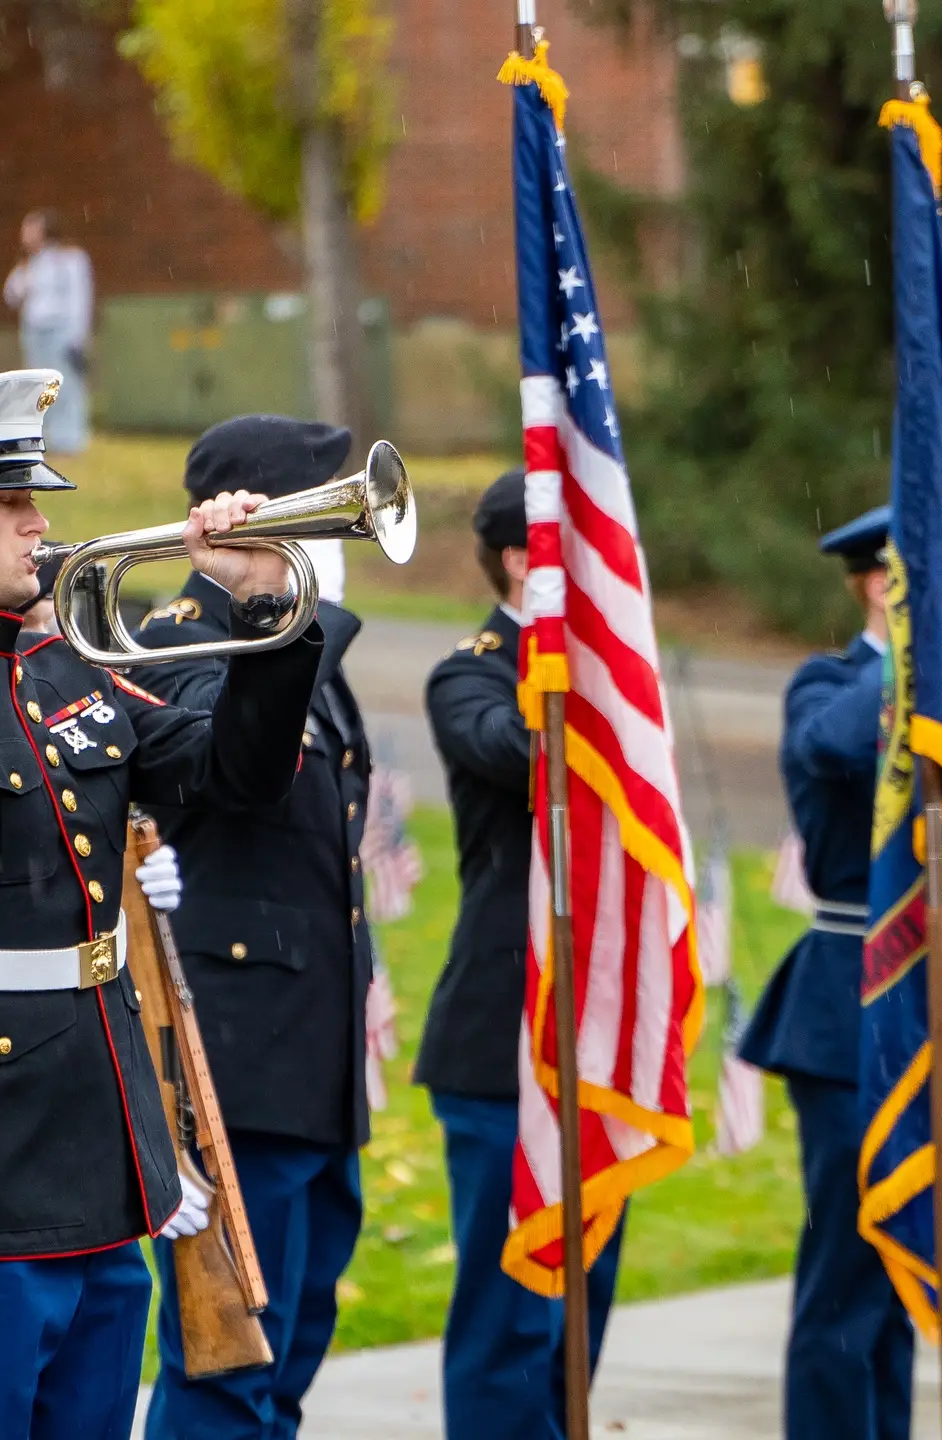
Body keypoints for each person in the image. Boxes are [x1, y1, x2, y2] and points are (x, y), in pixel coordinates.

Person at [0, 370, 322, 1439]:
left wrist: (261, 602)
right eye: (8, 501)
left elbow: (238, 779)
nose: (39, 522)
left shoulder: (58, 667)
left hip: (101, 1169)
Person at [136, 415, 373, 1439]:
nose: (346, 532)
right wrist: (268, 600)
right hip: (231, 1061)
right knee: (229, 1355)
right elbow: (236, 768)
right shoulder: (175, 638)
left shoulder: (296, 639)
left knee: (294, 1348)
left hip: (308, 1068)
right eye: (327, 505)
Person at [417, 468, 625, 1439]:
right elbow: (513, 748)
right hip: (502, 1037)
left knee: (580, 1320)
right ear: (518, 559)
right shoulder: (469, 671)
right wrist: (573, 660)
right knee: (509, 1319)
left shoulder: (615, 674)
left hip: (594, 1037)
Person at [734, 504, 912, 1439]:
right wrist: (903, 647)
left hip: (922, 1005)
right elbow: (835, 749)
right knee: (847, 1269)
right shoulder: (831, 682)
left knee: (906, 1271)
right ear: (879, 583)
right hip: (845, 1005)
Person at [2, 209, 93, 454]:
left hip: (61, 330)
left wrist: (77, 335)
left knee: (66, 385)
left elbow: (79, 296)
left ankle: (71, 440)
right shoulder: (31, 263)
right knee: (39, 387)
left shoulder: (70, 259)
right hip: (34, 331)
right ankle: (46, 438)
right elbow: (11, 294)